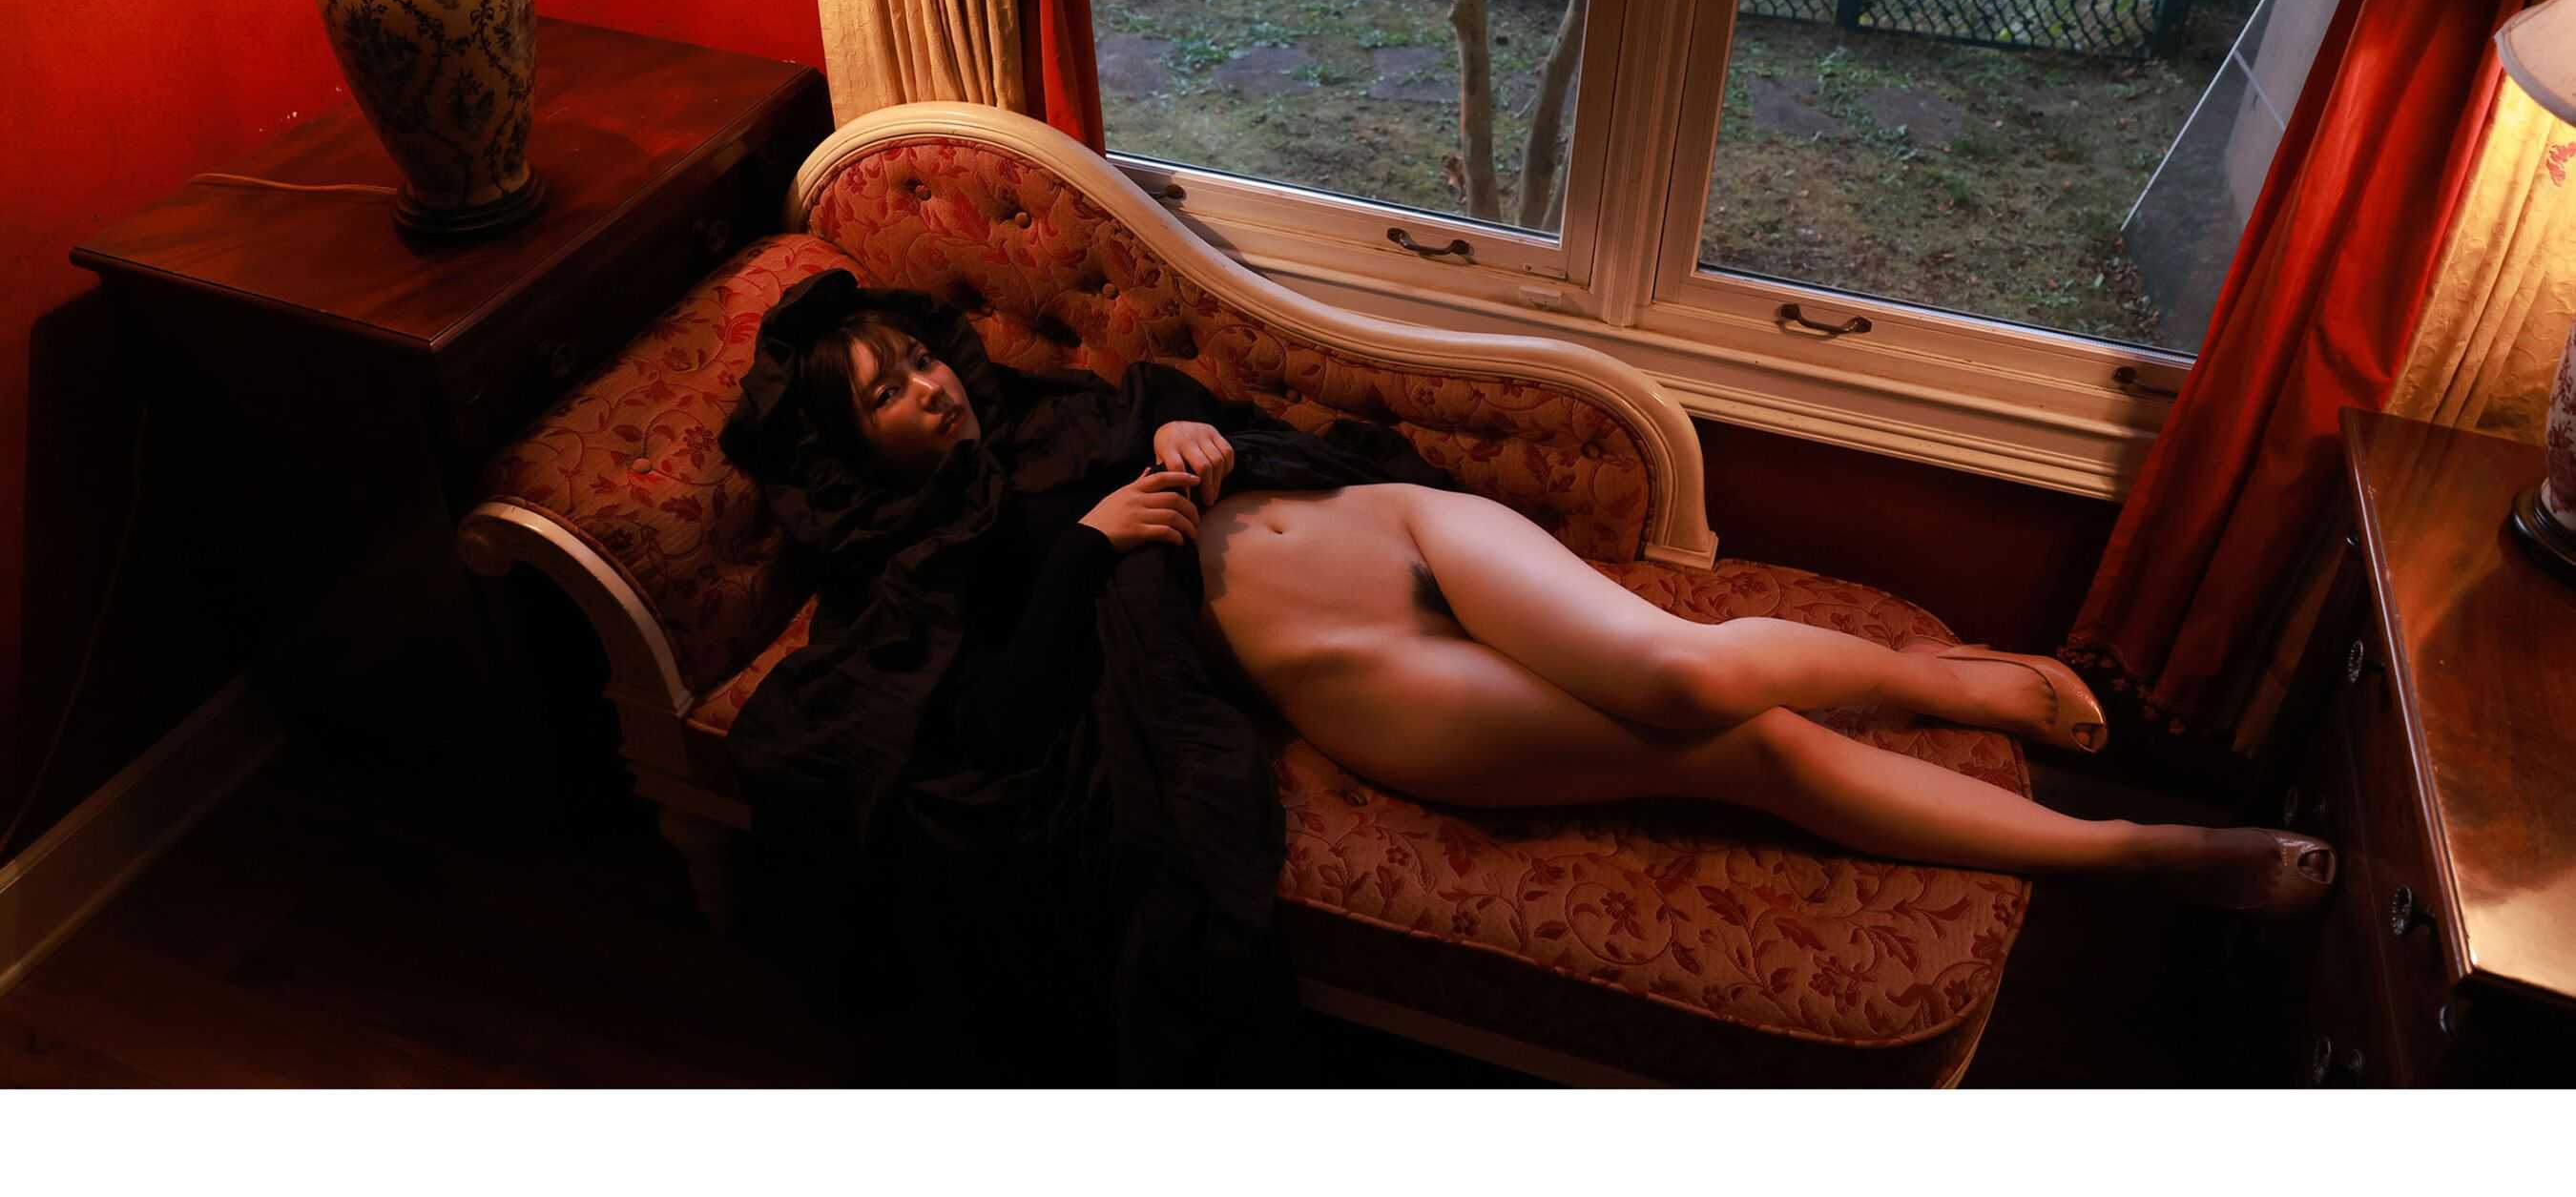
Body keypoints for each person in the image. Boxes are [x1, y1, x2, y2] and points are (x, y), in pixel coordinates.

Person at [720, 275, 2332, 1079]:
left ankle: (1942, 679)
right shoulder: (912, 572)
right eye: (887, 395)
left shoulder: (1045, 402)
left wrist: (1180, 424)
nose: (929, 388)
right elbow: (989, 724)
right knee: (1741, 756)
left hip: (1379, 527)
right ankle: (2140, 854)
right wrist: (1085, 548)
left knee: (1681, 670)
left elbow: (1174, 398)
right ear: (846, 446)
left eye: (917, 357)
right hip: (1343, 676)